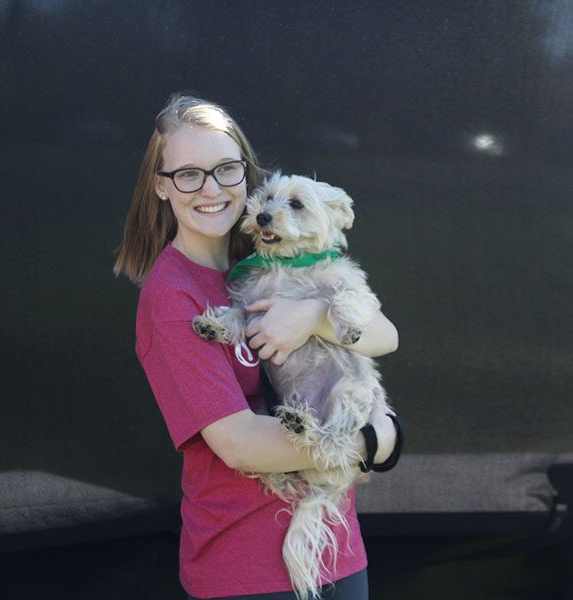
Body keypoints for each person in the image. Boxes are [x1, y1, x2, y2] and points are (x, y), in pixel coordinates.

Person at [114, 94, 400, 600]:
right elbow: (239, 444)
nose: (210, 188)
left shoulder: (268, 257)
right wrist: (375, 441)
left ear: (246, 175)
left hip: (337, 549)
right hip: (245, 570)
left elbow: (384, 334)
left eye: (225, 169)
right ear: (161, 186)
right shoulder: (172, 295)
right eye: (188, 174)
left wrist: (312, 316)